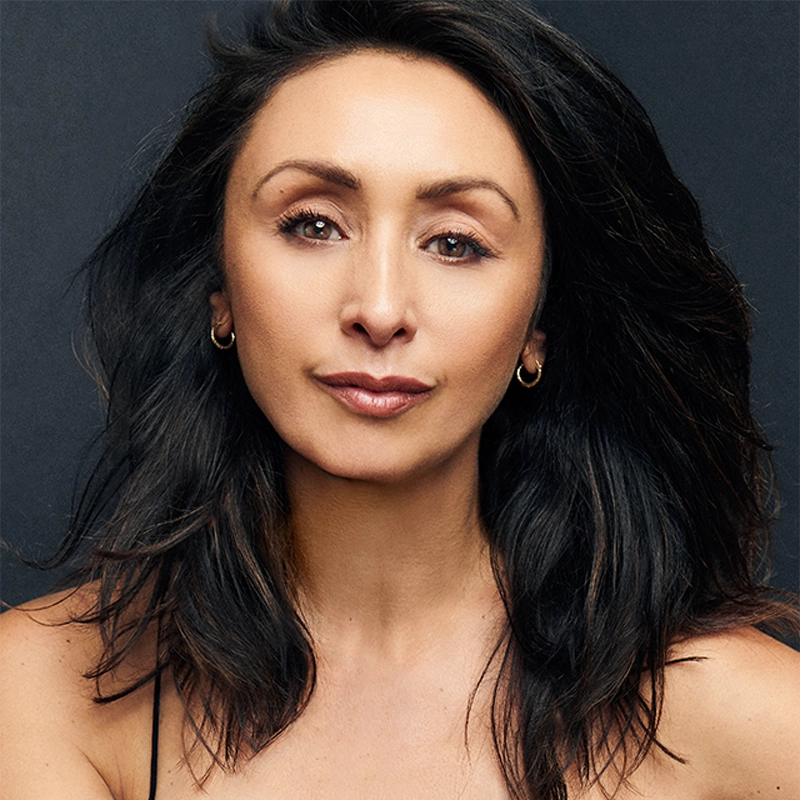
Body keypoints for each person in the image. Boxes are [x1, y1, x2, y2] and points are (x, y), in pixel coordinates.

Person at [1, 0, 798, 798]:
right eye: (313, 225)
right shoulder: (42, 696)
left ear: (539, 328)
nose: (379, 310)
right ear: (220, 292)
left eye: (456, 243)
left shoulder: (748, 718)